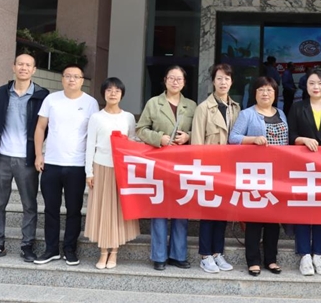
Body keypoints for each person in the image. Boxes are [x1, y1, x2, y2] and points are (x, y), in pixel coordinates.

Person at [0, 54, 49, 263]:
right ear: (13, 67)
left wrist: (38, 153)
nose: (23, 68)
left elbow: (45, 126)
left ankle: (27, 245)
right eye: (20, 64)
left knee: (29, 205)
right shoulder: (2, 92)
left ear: (34, 70)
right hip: (2, 156)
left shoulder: (42, 95)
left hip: (27, 158)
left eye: (28, 65)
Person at [33, 64, 99, 266]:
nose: (72, 79)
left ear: (82, 80)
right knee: (51, 209)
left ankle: (70, 249)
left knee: (74, 209)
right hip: (51, 163)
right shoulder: (51, 99)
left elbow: (94, 135)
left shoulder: (90, 103)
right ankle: (51, 249)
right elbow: (40, 127)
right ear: (62, 79)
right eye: (68, 76)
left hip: (77, 165)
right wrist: (38, 154)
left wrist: (91, 166)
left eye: (76, 76)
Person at [135, 65, 196, 271]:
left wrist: (188, 136)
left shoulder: (191, 106)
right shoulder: (154, 103)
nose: (175, 82)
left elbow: (198, 131)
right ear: (165, 80)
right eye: (171, 78)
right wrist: (158, 138)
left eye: (179, 79)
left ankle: (178, 255)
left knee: (181, 206)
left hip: (183, 164)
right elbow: (141, 129)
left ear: (184, 83)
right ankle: (159, 256)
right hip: (159, 162)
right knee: (159, 208)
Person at [228, 76, 288, 277]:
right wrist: (253, 139)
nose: (265, 93)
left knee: (273, 220)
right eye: (261, 89)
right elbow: (233, 138)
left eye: (269, 90)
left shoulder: (281, 113)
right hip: (255, 173)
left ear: (275, 94)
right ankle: (253, 261)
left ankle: (271, 259)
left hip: (277, 174)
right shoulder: (247, 114)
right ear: (254, 93)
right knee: (254, 219)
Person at [288, 67, 321, 276]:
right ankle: (304, 255)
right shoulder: (297, 107)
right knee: (303, 210)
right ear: (306, 86)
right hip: (302, 168)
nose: (316, 87)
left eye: (320, 83)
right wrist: (302, 139)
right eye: (311, 83)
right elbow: (291, 135)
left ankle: (318, 254)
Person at [83, 77, 140, 270]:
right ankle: (102, 252)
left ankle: (114, 252)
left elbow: (133, 140)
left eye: (117, 90)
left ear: (122, 94)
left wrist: (127, 143)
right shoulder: (96, 117)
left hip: (121, 169)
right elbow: (90, 145)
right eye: (109, 90)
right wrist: (89, 172)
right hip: (101, 166)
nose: (113, 93)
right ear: (103, 93)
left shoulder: (128, 117)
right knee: (103, 210)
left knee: (118, 211)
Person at [191, 63, 241, 274]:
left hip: (229, 169)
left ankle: (218, 252)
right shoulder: (203, 108)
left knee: (222, 211)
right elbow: (196, 141)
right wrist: (198, 170)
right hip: (209, 167)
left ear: (231, 82)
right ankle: (205, 255)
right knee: (208, 211)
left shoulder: (236, 107)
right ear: (213, 81)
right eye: (219, 78)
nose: (223, 82)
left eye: (227, 79)